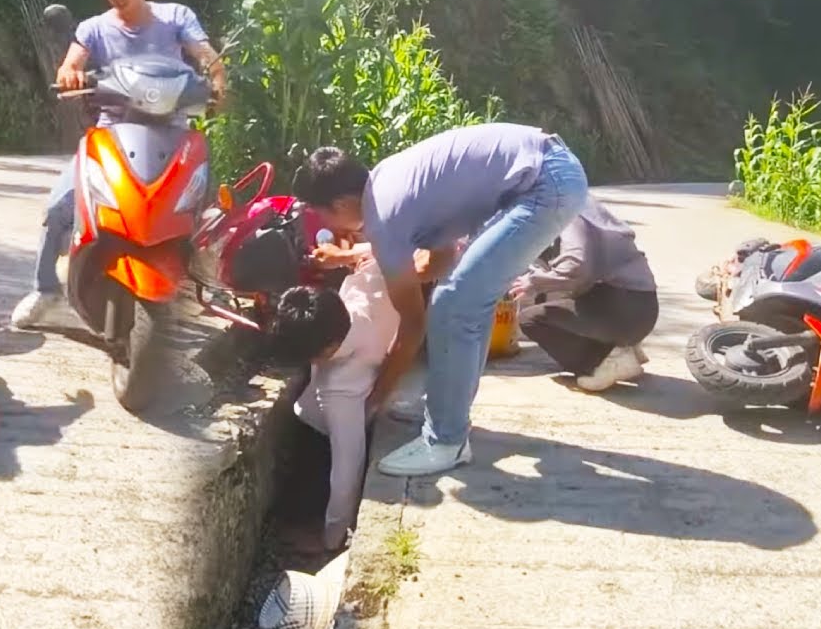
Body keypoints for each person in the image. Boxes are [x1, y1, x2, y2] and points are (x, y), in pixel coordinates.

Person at [294, 123, 589, 477]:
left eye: (320, 213)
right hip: (542, 171)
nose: (323, 222)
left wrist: (374, 401)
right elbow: (441, 258)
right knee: (465, 298)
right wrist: (389, 274)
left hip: (543, 183)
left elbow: (413, 326)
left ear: (341, 204)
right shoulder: (388, 181)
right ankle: (448, 414)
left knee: (451, 307)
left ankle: (445, 440)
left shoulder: (385, 216)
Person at [10, 0, 227, 328]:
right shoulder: (94, 28)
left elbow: (205, 53)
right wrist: (70, 74)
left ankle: (204, 286)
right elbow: (70, 64)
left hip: (173, 133)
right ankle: (44, 288)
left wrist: (217, 77)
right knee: (61, 205)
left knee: (203, 206)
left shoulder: (176, 17)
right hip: (112, 133)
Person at [268, 252, 399, 551]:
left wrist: (331, 537)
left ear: (327, 349)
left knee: (318, 463)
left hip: (338, 423)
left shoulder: (340, 386)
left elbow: (347, 468)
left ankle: (312, 528)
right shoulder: (359, 287)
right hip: (330, 406)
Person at [512, 196, 658, 391]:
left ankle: (603, 362)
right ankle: (624, 347)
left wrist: (534, 282)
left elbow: (576, 264)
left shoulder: (568, 213)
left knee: (530, 320)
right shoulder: (584, 203)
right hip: (643, 307)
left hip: (621, 308)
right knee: (556, 298)